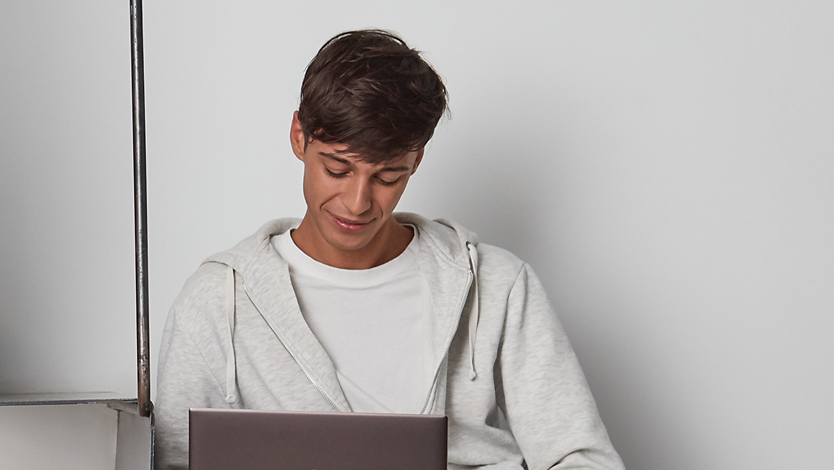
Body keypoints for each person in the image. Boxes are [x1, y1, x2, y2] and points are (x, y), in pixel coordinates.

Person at [154, 29, 625, 470]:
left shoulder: (498, 287)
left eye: (387, 177)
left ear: (417, 158)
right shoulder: (219, 301)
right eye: (337, 170)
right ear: (299, 136)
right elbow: (171, 462)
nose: (357, 203)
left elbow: (586, 460)